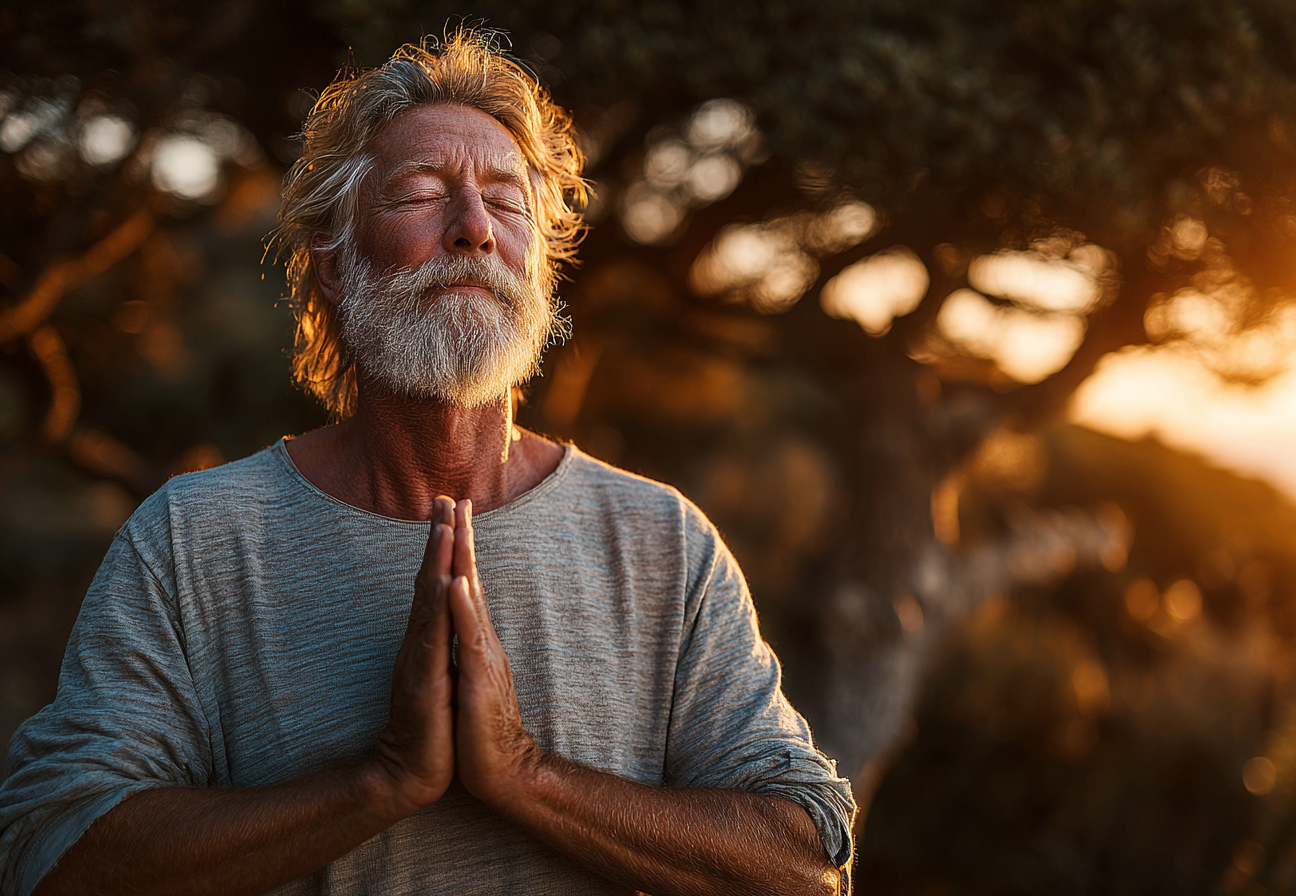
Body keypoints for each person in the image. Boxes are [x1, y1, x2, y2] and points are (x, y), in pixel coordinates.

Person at [0, 31, 855, 896]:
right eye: (421, 192)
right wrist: (382, 783)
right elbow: (56, 852)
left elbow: (804, 865)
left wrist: (523, 773)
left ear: (540, 266)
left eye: (506, 201)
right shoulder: (193, 541)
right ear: (333, 262)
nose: (474, 230)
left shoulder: (660, 541)